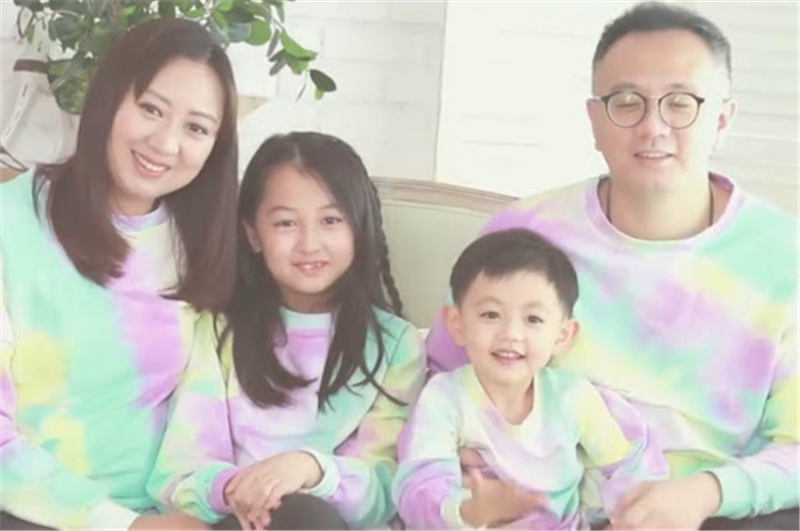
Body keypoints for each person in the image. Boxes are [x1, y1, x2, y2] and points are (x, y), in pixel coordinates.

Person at [425, 2, 798, 529]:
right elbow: (442, 376)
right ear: (595, 120)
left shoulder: (783, 254)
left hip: (717, 512)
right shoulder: (524, 234)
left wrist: (706, 494)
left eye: (681, 104)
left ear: (721, 119)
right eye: (627, 102)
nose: (653, 126)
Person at [0, 18, 239, 530]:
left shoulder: (200, 244)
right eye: (151, 108)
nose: (166, 143)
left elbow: (202, 420)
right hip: (30, 510)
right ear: (108, 99)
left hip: (167, 511)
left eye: (196, 128)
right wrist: (120, 524)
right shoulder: (9, 222)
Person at [190, 132, 426, 529]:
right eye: (285, 223)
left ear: (358, 227)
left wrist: (309, 470)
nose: (309, 244)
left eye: (331, 220)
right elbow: (180, 469)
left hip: (331, 525)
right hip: (235, 522)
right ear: (253, 234)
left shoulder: (397, 345)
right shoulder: (215, 331)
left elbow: (384, 490)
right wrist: (241, 490)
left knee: (306, 516)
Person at [393, 229, 667, 529]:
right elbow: (418, 486)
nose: (511, 333)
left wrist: (625, 519)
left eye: (533, 319)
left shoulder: (573, 398)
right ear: (457, 325)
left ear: (562, 336)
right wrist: (472, 510)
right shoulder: (444, 399)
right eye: (491, 315)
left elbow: (630, 466)